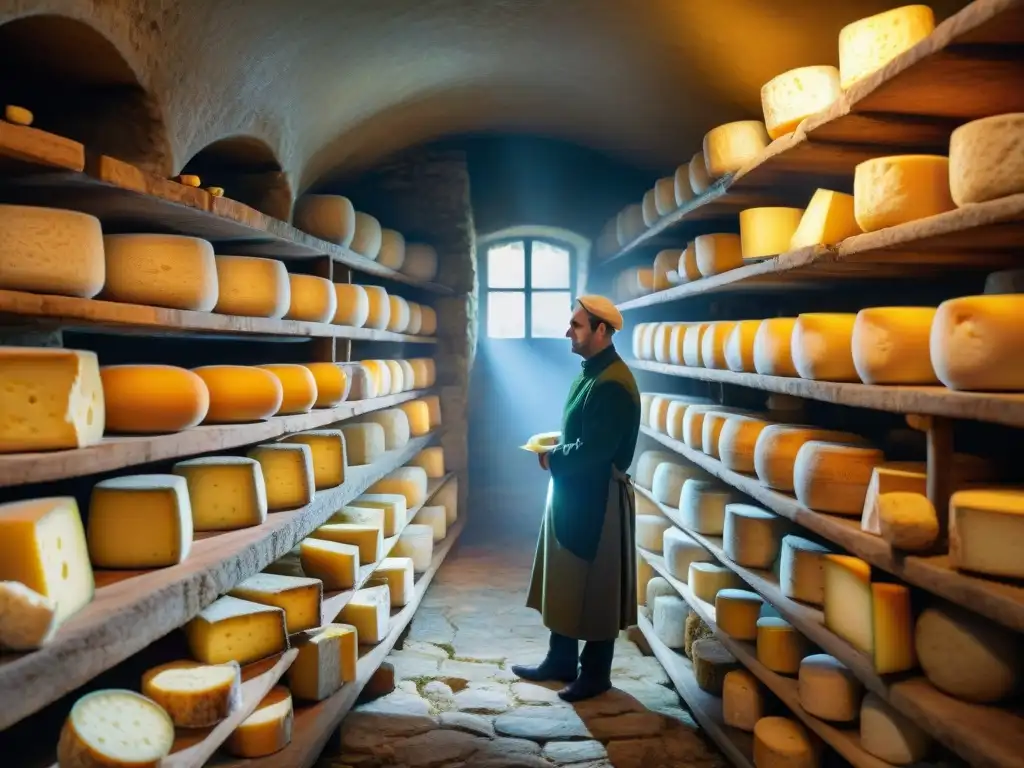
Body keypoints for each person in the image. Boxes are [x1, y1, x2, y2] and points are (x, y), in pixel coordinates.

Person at [513, 294, 641, 702]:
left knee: (597, 586)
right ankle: (561, 659)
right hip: (576, 491)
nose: (568, 332)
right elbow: (586, 436)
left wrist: (554, 456)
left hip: (598, 498)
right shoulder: (591, 373)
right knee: (566, 577)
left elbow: (596, 451)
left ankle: (596, 673)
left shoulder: (614, 384)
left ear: (601, 331)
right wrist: (559, 444)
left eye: (577, 325)